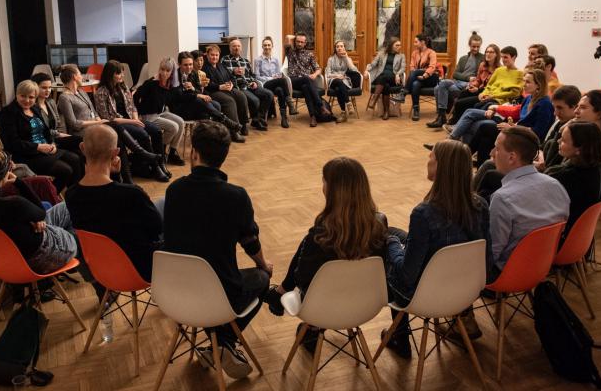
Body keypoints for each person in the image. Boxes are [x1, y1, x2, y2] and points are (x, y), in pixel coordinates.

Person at [163, 121, 272, 379]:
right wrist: (264, 265)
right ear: (224, 156)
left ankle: (218, 346)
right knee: (262, 279)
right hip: (218, 294)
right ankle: (223, 342)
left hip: (174, 291)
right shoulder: (236, 196)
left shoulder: (174, 190)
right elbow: (250, 242)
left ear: (194, 153)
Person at [263, 157, 388, 353]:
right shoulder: (379, 223)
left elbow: (302, 278)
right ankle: (286, 299)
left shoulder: (321, 234)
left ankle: (310, 325)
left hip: (322, 307)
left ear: (332, 190)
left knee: (310, 251)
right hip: (365, 304)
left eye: (324, 181)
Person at [384, 140, 491, 357]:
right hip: (466, 289)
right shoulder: (480, 204)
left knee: (386, 245)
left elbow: (406, 276)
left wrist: (392, 245)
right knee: (392, 232)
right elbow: (485, 259)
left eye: (431, 156)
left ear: (442, 166)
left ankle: (400, 337)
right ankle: (463, 318)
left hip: (426, 294)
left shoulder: (423, 213)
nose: (427, 160)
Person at [66, 125, 163, 280]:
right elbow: (156, 229)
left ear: (82, 148)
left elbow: (106, 216)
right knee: (165, 204)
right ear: (116, 152)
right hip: (142, 268)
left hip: (101, 268)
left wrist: (116, 177)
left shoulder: (71, 195)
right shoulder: (133, 193)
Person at [0, 142, 77, 274]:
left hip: (6, 261)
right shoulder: (15, 204)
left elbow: (16, 221)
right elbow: (41, 212)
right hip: (40, 258)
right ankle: (74, 255)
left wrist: (34, 220)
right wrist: (20, 183)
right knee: (76, 219)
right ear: (5, 174)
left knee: (68, 207)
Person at [473, 84, 582, 200]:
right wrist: (540, 155)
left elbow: (541, 138)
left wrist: (538, 163)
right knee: (489, 160)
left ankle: (472, 200)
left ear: (574, 108)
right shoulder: (558, 123)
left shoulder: (573, 132)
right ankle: (472, 197)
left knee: (490, 169)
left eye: (560, 108)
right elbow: (542, 146)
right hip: (536, 161)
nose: (555, 113)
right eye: (554, 107)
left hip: (540, 176)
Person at [489, 126, 569, 272]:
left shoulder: (502, 198)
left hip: (511, 272)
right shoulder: (555, 184)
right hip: (544, 263)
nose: (492, 153)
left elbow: (493, 252)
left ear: (512, 157)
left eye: (497, 149)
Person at [446, 70, 553, 164]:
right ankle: (477, 167)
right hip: (517, 132)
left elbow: (538, 132)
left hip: (527, 139)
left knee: (484, 126)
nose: (524, 85)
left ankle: (463, 157)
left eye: (528, 82)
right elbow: (518, 114)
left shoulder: (544, 104)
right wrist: (508, 120)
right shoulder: (529, 98)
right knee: (485, 138)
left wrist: (512, 128)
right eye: (524, 81)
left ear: (538, 85)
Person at [0, 80, 82, 193]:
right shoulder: (7, 113)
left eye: (31, 97)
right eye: (23, 96)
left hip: (44, 148)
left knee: (76, 159)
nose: (27, 100)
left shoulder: (35, 108)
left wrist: (52, 144)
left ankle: (75, 194)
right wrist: (38, 147)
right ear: (17, 94)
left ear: (36, 97)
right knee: (65, 171)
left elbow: (45, 132)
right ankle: (46, 197)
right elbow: (12, 143)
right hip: (25, 155)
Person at [94, 60, 171, 182]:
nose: (122, 75)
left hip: (131, 120)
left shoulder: (123, 87)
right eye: (119, 73)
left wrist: (135, 118)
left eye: (122, 73)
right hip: (118, 123)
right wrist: (132, 122)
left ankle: (161, 164)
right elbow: (107, 118)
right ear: (110, 74)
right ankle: (155, 167)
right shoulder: (101, 92)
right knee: (143, 134)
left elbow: (132, 106)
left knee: (156, 131)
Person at [545, 121, 601, 240]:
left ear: (579, 149)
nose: (558, 141)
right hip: (579, 238)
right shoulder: (596, 171)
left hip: (557, 238)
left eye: (563, 140)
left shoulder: (564, 178)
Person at [171, 51, 244, 142]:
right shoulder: (174, 76)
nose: (189, 67)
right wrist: (197, 94)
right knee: (198, 100)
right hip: (179, 109)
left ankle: (214, 137)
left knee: (216, 104)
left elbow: (198, 91)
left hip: (193, 106)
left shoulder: (193, 73)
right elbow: (178, 97)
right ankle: (224, 120)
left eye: (190, 64)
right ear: (179, 64)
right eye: (185, 65)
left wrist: (195, 89)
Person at [447, 46, 523, 126]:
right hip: (486, 93)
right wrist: (482, 93)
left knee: (473, 105)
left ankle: (459, 124)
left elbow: (514, 93)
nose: (503, 59)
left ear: (514, 57)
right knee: (464, 94)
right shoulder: (497, 70)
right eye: (502, 57)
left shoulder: (519, 73)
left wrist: (491, 95)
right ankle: (456, 122)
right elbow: (488, 85)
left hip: (497, 99)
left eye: (506, 57)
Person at [134, 57, 186, 166]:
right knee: (174, 127)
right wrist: (137, 113)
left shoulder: (171, 84)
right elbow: (136, 96)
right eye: (162, 69)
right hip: (149, 115)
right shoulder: (151, 83)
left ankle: (172, 153)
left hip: (161, 112)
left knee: (181, 122)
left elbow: (176, 98)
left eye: (167, 70)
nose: (164, 73)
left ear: (172, 72)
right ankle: (159, 150)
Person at [427, 31, 484, 128]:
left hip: (468, 85)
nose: (476, 49)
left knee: (438, 88)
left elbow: (481, 76)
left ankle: (441, 116)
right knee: (442, 83)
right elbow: (455, 74)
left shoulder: (482, 59)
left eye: (478, 47)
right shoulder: (463, 58)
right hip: (458, 82)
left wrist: (471, 80)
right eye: (473, 46)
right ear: (469, 45)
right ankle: (442, 116)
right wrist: (467, 77)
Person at [222, 38, 273, 131]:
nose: (236, 48)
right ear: (230, 48)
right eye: (234, 46)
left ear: (241, 48)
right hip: (238, 87)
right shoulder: (224, 60)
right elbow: (222, 75)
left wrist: (254, 82)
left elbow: (252, 75)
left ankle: (257, 119)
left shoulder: (245, 60)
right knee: (255, 100)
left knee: (269, 94)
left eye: (238, 46)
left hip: (250, 85)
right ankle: (257, 121)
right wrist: (233, 71)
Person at [284, 32, 331, 127]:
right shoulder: (290, 52)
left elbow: (318, 69)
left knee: (306, 87)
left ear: (305, 43)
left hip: (306, 82)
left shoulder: (309, 54)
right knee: (307, 78)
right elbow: (287, 37)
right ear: (295, 41)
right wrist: (296, 36)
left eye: (302, 42)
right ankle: (320, 106)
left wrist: (315, 74)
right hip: (294, 81)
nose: (299, 44)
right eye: (298, 41)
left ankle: (313, 117)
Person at [203, 44, 251, 135]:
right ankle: (234, 131)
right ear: (207, 55)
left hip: (227, 89)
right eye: (212, 55)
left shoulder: (221, 66)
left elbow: (231, 77)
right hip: (214, 91)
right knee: (229, 101)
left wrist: (231, 84)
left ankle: (243, 124)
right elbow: (206, 84)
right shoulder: (204, 68)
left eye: (216, 55)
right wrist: (219, 87)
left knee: (241, 96)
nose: (214, 57)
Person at [31, 72, 83, 155]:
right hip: (46, 140)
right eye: (44, 88)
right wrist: (63, 136)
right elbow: (43, 131)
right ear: (35, 88)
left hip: (57, 137)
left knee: (81, 144)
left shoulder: (51, 102)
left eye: (49, 87)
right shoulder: (32, 106)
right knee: (78, 148)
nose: (48, 90)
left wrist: (66, 136)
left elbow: (59, 124)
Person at [254, 36, 296, 128]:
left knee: (280, 90)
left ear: (272, 46)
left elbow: (279, 73)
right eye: (265, 45)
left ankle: (284, 118)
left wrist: (277, 77)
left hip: (276, 84)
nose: (267, 47)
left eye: (269, 45)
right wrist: (270, 78)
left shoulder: (276, 59)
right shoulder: (258, 60)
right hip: (265, 84)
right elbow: (257, 76)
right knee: (283, 80)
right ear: (262, 46)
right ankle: (290, 103)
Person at [364, 37, 406, 120]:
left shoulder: (401, 56)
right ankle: (386, 111)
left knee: (383, 77)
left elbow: (403, 68)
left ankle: (374, 99)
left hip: (394, 78)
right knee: (385, 85)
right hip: (381, 78)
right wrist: (366, 70)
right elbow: (373, 64)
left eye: (400, 45)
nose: (399, 47)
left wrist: (398, 74)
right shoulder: (381, 53)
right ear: (391, 45)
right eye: (397, 45)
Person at [405, 33, 439, 121]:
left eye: (416, 42)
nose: (414, 44)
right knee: (415, 84)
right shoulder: (414, 53)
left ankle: (405, 91)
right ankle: (416, 110)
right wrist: (417, 74)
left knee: (416, 72)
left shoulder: (432, 52)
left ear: (423, 42)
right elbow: (412, 66)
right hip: (418, 78)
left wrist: (424, 76)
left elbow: (432, 67)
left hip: (431, 77)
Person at [325, 40, 359, 122]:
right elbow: (328, 74)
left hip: (344, 81)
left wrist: (346, 57)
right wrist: (337, 76)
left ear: (344, 48)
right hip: (333, 80)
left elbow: (354, 70)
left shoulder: (347, 59)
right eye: (337, 47)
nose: (339, 48)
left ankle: (343, 113)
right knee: (338, 81)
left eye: (341, 46)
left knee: (338, 89)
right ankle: (348, 102)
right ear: (335, 49)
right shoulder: (331, 59)